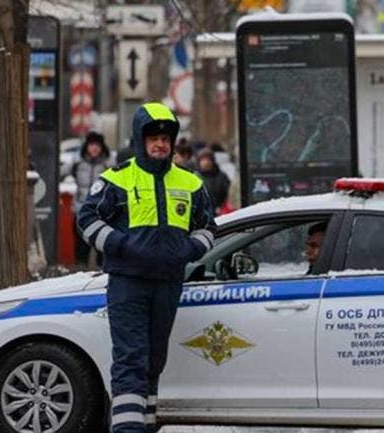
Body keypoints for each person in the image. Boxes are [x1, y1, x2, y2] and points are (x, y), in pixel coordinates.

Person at [77, 102, 216, 433]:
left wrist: (189, 249)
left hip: (167, 283)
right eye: (153, 138)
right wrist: (121, 245)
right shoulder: (117, 178)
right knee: (131, 360)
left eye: (166, 139)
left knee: (154, 361)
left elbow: (209, 228)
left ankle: (144, 425)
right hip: (128, 283)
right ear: (140, 140)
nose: (160, 144)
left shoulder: (191, 183)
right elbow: (86, 219)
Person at [70, 132, 111, 266]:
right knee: (81, 248)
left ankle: (101, 273)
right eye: (91, 145)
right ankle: (79, 271)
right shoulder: (78, 164)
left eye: (97, 145)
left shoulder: (108, 165)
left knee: (102, 248)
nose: (94, 148)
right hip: (80, 210)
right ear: (86, 146)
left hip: (102, 212)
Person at [196, 148, 230, 214]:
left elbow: (228, 194)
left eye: (208, 160)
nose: (206, 163)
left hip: (219, 213)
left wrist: (221, 208)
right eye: (203, 160)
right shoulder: (195, 177)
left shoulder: (221, 177)